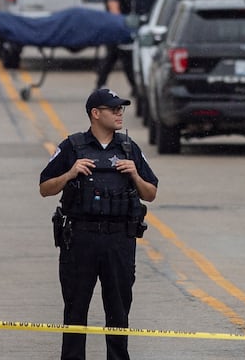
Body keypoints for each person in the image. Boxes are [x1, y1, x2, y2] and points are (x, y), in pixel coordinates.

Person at [39, 88, 159, 360]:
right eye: (113, 109)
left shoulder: (128, 148)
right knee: (75, 309)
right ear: (96, 113)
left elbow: (150, 193)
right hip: (80, 239)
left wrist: (135, 174)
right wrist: (70, 173)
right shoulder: (72, 146)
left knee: (118, 310)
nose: (119, 114)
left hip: (119, 239)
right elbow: (45, 188)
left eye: (121, 109)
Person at [95, 0, 134, 92]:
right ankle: (135, 87)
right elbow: (113, 7)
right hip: (116, 29)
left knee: (112, 59)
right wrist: (120, 26)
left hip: (115, 28)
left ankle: (100, 84)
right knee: (125, 59)